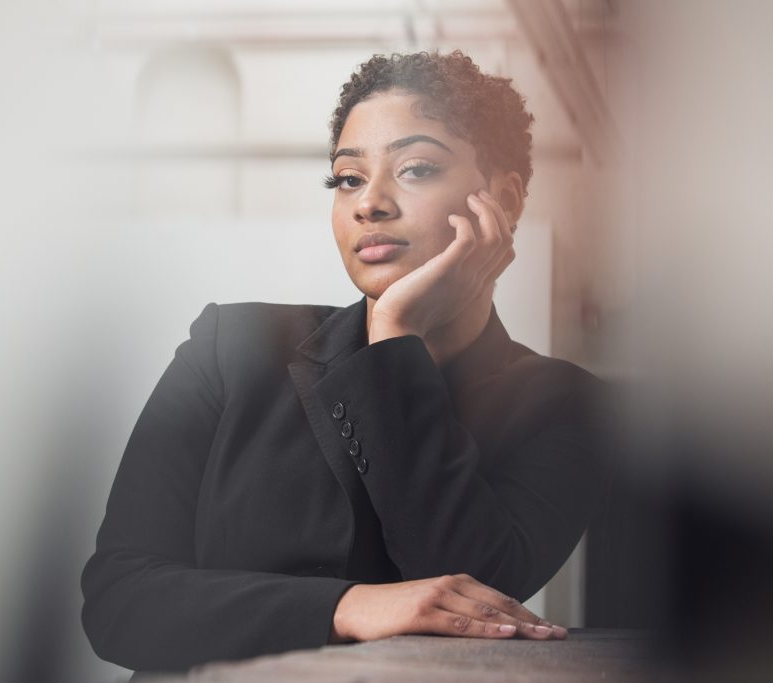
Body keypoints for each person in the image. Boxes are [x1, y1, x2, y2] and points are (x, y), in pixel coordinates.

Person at [81, 49, 612, 675]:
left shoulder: (561, 403)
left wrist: (394, 339)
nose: (370, 204)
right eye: (348, 178)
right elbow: (120, 601)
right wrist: (349, 606)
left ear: (504, 198)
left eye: (414, 169)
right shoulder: (231, 346)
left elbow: (477, 582)